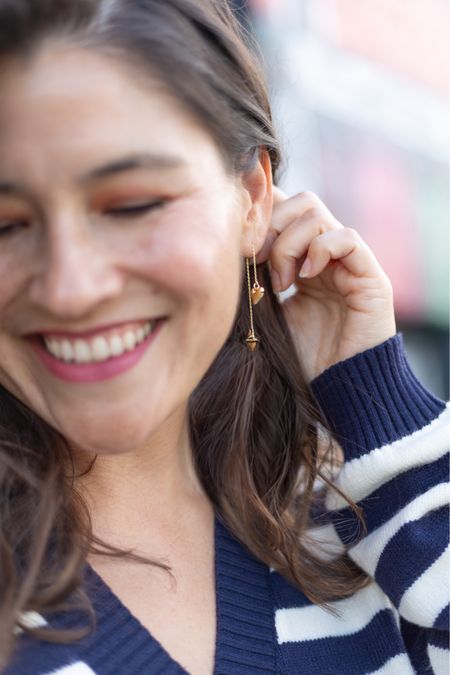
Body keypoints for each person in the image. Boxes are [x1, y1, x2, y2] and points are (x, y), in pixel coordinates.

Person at [0, 1, 448, 673]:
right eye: (5, 226)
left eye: (132, 205)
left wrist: (373, 395)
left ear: (253, 196)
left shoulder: (355, 526)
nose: (70, 286)